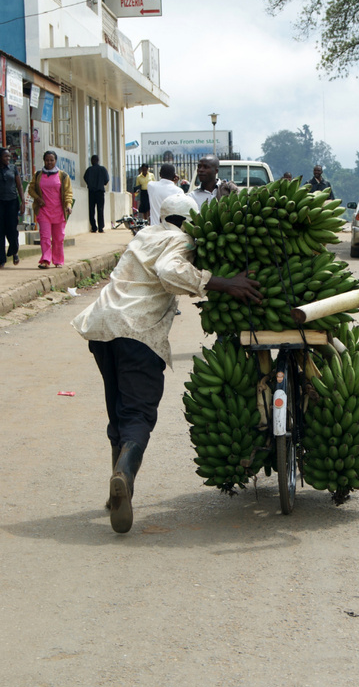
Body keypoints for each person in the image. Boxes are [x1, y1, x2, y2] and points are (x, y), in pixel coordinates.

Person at [72, 192, 261, 534]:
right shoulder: (181, 239)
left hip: (102, 327)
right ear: (191, 222)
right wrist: (222, 283)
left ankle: (116, 483)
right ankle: (124, 476)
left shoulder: (145, 235)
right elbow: (168, 271)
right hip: (137, 330)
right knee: (139, 413)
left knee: (118, 409)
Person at [27, 150, 73, 268]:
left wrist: (68, 205)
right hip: (43, 211)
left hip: (59, 211)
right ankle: (45, 260)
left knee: (58, 238)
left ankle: (58, 260)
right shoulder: (38, 175)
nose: (49, 162)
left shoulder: (63, 176)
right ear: (44, 161)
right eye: (47, 160)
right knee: (45, 236)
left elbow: (68, 193)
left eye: (52, 160)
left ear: (55, 161)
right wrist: (38, 198)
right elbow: (31, 190)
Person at [0, 147, 25, 267]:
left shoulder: (13, 168)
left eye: (9, 156)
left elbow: (19, 186)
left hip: (12, 202)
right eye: (6, 156)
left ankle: (14, 251)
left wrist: (23, 202)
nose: (8, 158)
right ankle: (1, 259)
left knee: (12, 229)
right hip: (0, 202)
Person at [83, 155, 110, 233]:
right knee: (100, 210)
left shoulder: (89, 170)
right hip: (100, 192)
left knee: (92, 210)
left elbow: (85, 178)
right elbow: (106, 180)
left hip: (91, 192)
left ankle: (94, 227)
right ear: (98, 160)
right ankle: (101, 227)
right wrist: (101, 183)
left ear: (92, 161)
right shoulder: (103, 169)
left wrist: (90, 184)